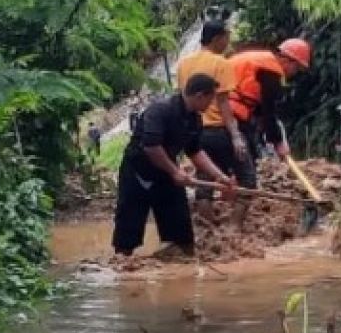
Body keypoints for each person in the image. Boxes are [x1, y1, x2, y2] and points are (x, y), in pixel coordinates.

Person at [112, 73, 237, 259]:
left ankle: (176, 266)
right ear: (199, 96)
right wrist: (175, 172)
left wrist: (220, 177)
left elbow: (195, 151)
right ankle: (122, 266)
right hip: (138, 172)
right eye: (210, 100)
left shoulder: (195, 119)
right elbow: (151, 146)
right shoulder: (160, 110)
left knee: (182, 234)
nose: (211, 105)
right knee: (128, 229)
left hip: (166, 173)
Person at [225, 38, 312, 230]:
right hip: (231, 115)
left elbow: (258, 108)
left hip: (224, 113)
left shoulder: (259, 61)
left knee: (243, 162)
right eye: (296, 69)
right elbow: (268, 111)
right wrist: (278, 142)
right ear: (288, 60)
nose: (293, 74)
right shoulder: (271, 69)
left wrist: (271, 134)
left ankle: (224, 219)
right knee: (247, 174)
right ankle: (233, 228)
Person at [176, 19, 250, 222]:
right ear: (217, 39)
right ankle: (233, 230)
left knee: (204, 182)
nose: (228, 42)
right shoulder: (221, 63)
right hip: (219, 130)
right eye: (227, 38)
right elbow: (224, 103)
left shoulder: (183, 64)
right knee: (247, 179)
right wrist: (235, 136)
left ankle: (209, 231)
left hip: (195, 133)